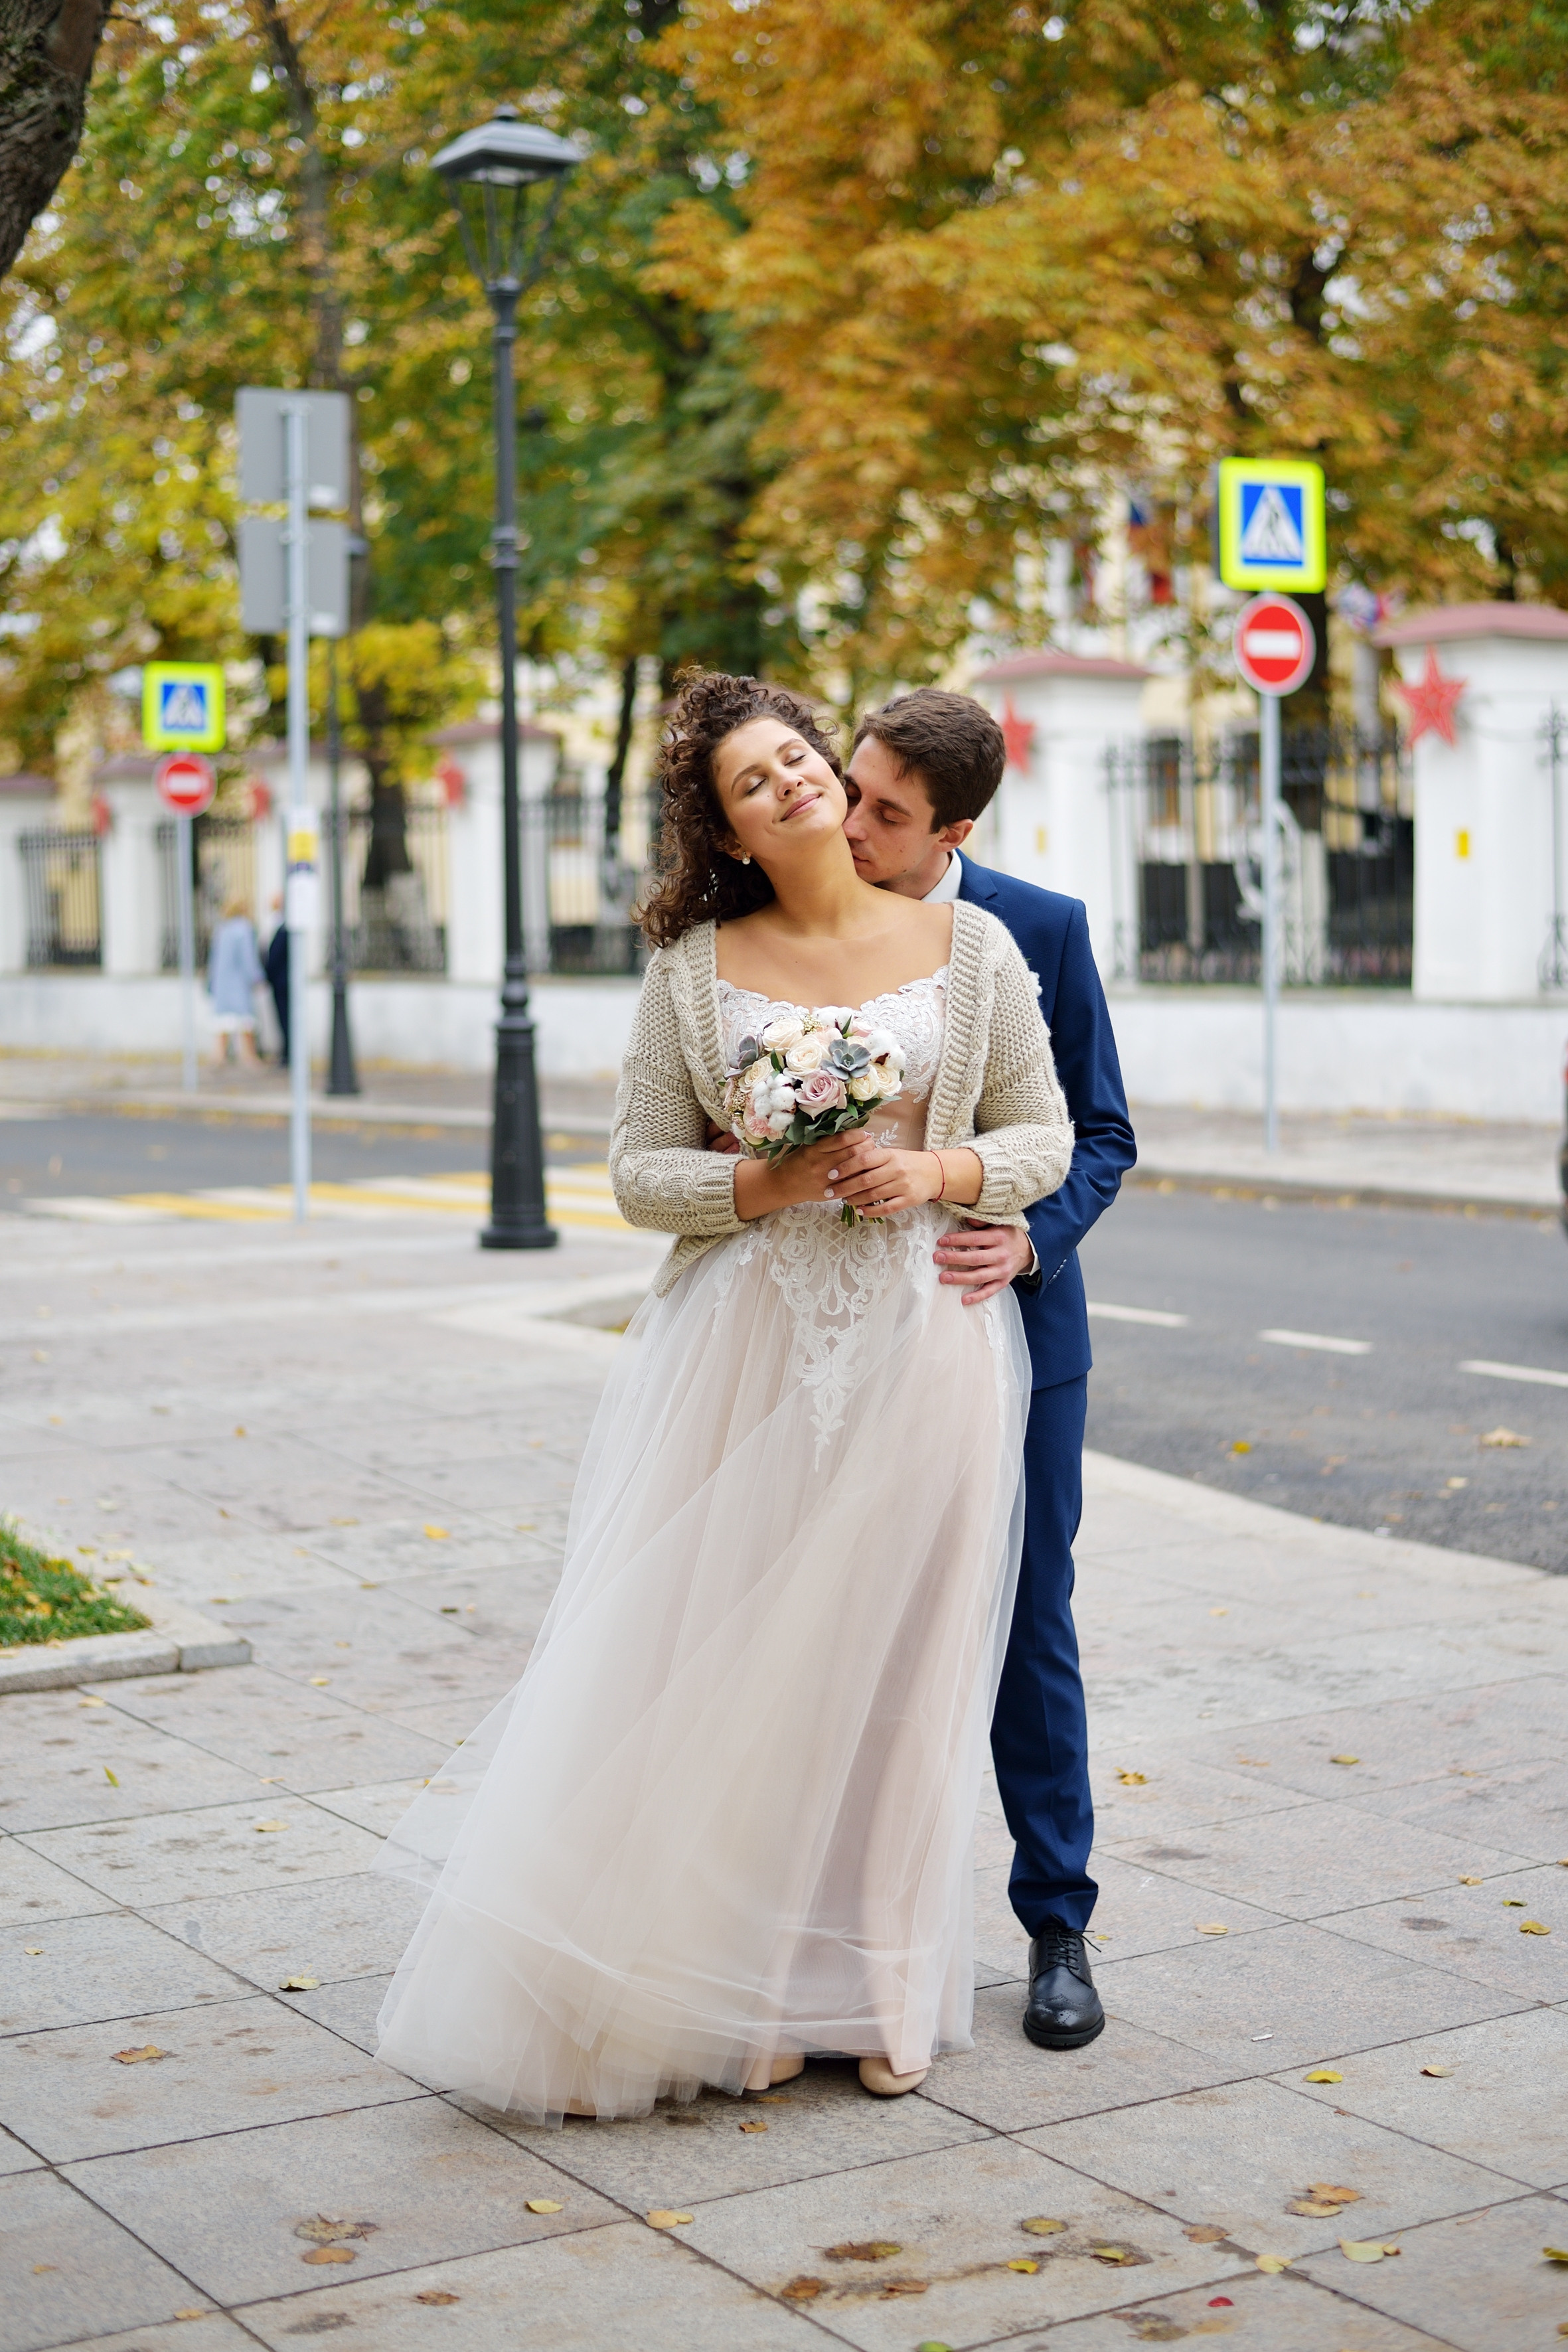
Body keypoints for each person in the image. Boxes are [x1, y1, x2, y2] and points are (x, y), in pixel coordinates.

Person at [374, 672, 1073, 2123]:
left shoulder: (980, 946)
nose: (795, 786)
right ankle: (748, 1998)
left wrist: (935, 1172)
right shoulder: (693, 973)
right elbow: (637, 1175)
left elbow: (1045, 1134)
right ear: (733, 831)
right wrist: (763, 1178)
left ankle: (880, 1996)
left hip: (923, 1344)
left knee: (898, 1677)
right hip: (745, 1353)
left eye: (800, 759)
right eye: (755, 783)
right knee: (745, 1671)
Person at [840, 688, 1137, 2051]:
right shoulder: (811, 919)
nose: (851, 826)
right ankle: (839, 1931)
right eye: (850, 790)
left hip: (1014, 1329)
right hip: (844, 1334)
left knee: (1027, 1627)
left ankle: (1055, 1929)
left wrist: (1027, 1240)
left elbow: (1099, 1134)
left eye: (886, 813)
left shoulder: (1042, 927)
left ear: (951, 826)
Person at [206, 897, 264, 1067]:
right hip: (238, 984)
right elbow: (248, 958)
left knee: (223, 1023)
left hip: (222, 985)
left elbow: (213, 961)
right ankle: (248, 1056)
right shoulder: (244, 930)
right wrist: (256, 977)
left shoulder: (221, 930)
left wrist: (212, 984)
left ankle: (219, 1056)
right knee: (245, 1022)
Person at [264, 892, 289, 1066]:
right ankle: (287, 1052)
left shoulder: (286, 927)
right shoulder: (279, 925)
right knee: (283, 1019)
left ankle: (289, 1054)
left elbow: (276, 957)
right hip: (279, 982)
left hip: (283, 983)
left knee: (286, 1018)